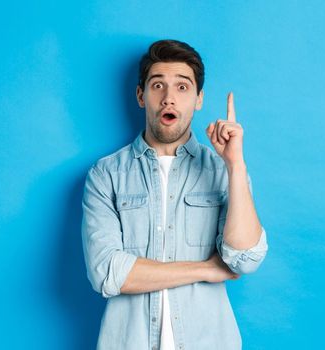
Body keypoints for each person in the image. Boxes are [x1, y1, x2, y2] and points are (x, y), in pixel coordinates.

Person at [81, 39, 269, 350]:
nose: (169, 98)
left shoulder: (223, 171)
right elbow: (107, 273)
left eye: (182, 87)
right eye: (158, 86)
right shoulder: (106, 175)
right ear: (141, 96)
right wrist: (206, 269)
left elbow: (245, 258)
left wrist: (235, 164)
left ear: (198, 99)